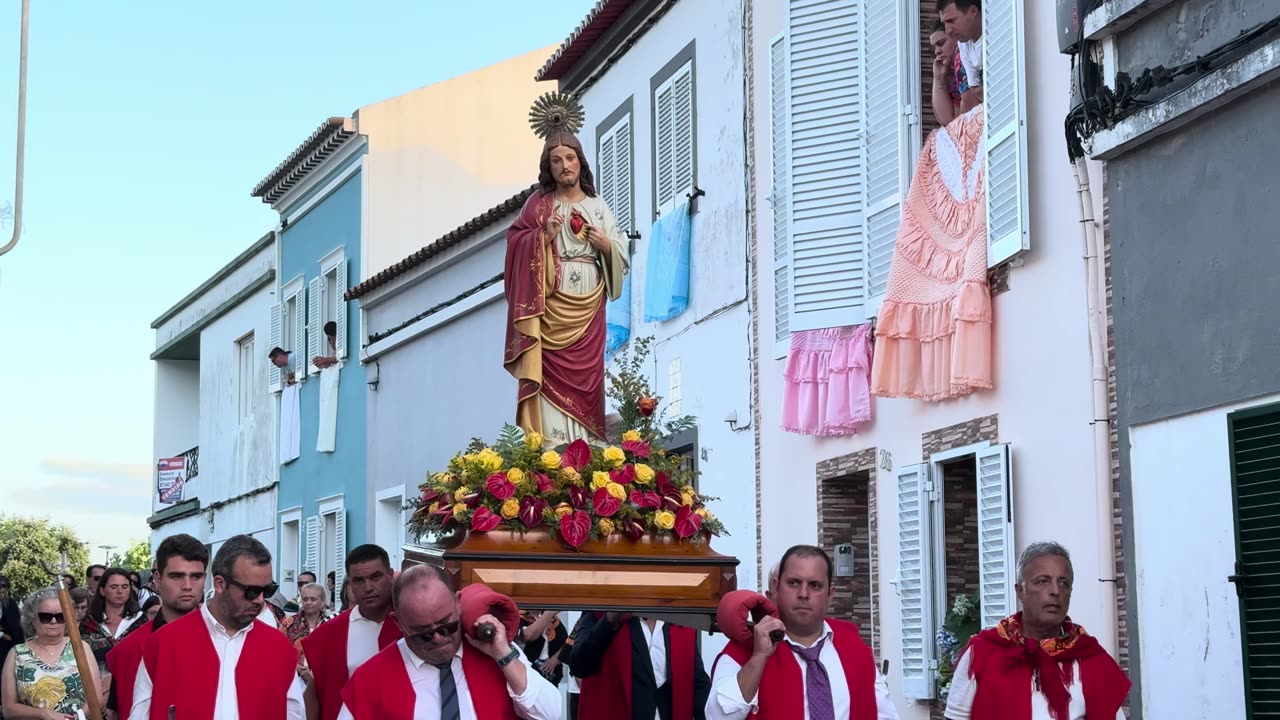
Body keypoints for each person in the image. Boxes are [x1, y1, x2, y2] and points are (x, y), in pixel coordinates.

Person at [503, 120, 629, 445]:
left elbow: (621, 253)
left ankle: (588, 446)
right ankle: (553, 448)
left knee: (588, 378)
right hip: (550, 307)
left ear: (580, 161)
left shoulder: (598, 207)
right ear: (549, 167)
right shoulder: (539, 205)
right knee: (550, 378)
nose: (564, 166)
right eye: (556, 160)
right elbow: (516, 242)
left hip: (589, 307)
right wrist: (543, 237)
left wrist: (605, 245)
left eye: (569, 158)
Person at [337, 565, 561, 719]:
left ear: (458, 603)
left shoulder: (496, 654)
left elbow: (550, 714)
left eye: (447, 626)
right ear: (399, 623)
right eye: (422, 633)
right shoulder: (370, 681)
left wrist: (504, 654)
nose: (438, 638)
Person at [707, 545, 900, 720]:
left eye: (815, 585)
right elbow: (718, 717)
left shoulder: (856, 650)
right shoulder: (743, 651)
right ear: (776, 588)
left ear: (830, 595)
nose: (804, 594)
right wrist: (758, 657)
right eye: (794, 583)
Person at [943, 542, 1131, 720]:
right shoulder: (982, 653)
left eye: (1064, 583)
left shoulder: (1091, 659)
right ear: (1020, 591)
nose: (1055, 591)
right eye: (1042, 581)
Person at [129, 534, 303, 720]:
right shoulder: (163, 643)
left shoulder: (279, 647)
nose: (260, 600)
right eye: (251, 591)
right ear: (220, 584)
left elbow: (295, 714)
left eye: (267, 591)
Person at [105, 533, 208, 720]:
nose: (187, 586)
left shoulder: (225, 640)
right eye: (176, 576)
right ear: (158, 579)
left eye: (195, 576)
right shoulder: (129, 650)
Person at [302, 545, 402, 720]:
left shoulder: (411, 624)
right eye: (358, 580)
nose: (368, 587)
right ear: (350, 584)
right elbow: (314, 694)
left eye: (375, 577)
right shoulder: (329, 633)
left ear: (390, 575)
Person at [570, 609, 711, 720]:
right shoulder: (599, 613)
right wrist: (609, 621)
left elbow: (697, 683)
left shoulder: (680, 620)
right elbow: (579, 665)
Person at [2, 587, 101, 719]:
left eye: (60, 616)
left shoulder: (81, 648)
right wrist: (43, 714)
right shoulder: (16, 654)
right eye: (45, 617)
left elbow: (97, 699)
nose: (53, 621)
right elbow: (8, 709)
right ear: (33, 618)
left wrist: (76, 717)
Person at [81, 568, 142, 670]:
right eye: (114, 587)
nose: (120, 591)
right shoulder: (88, 624)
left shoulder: (141, 622)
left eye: (124, 586)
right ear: (102, 590)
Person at [281, 583, 330, 685]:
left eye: (313, 599)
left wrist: (314, 672)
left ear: (322, 602)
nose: (308, 602)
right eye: (305, 599)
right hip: (293, 679)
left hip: (323, 679)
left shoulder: (330, 623)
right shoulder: (289, 623)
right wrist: (295, 667)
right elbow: (278, 649)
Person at [938, 0, 982, 111]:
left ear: (973, 11)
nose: (947, 30)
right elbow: (974, 88)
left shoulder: (998, 32)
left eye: (951, 21)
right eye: (944, 23)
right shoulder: (963, 45)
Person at [930, 19, 970, 127]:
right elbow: (946, 120)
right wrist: (938, 78)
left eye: (941, 43)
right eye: (935, 47)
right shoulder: (952, 71)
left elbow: (960, 122)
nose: (937, 51)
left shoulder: (961, 54)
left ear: (955, 37)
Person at [517, 611, 566, 685]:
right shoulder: (518, 616)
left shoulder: (553, 619)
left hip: (551, 677)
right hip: (526, 675)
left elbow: (568, 642)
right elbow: (527, 636)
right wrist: (548, 614)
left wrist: (555, 660)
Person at [0, 575, 23, 710]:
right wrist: (2, 634)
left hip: (8, 647)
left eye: (4, 591)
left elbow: (15, 625)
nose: (2, 594)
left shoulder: (10, 603)